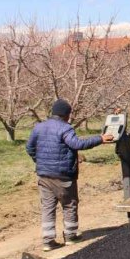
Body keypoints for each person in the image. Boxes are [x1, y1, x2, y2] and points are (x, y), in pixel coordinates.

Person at [26, 99, 114, 251]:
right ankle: (70, 235)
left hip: (44, 175)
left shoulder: (39, 127)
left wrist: (39, 161)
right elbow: (77, 144)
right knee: (69, 204)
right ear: (66, 114)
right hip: (63, 175)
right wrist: (100, 139)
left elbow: (29, 147)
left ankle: (48, 241)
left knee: (48, 207)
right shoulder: (65, 128)